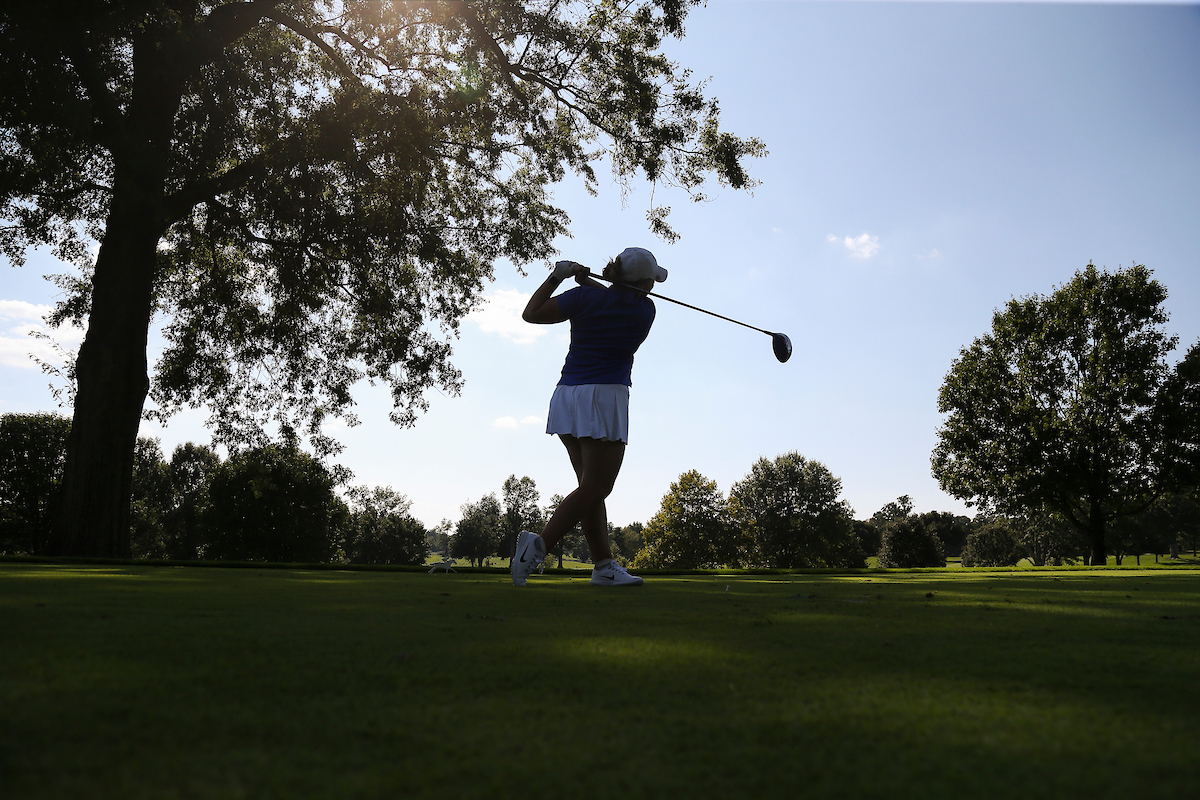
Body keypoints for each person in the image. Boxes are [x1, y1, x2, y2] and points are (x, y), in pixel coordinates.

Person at [512, 247, 667, 587]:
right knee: (598, 487)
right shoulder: (645, 310)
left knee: (589, 490)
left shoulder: (583, 298)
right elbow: (617, 302)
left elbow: (532, 313)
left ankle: (603, 567)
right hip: (605, 396)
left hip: (568, 395)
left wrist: (559, 276)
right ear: (644, 284)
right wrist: (588, 284)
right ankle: (536, 547)